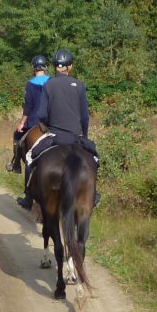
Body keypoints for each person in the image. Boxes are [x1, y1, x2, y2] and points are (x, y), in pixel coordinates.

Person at [18, 49, 99, 210]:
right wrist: (83, 135)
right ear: (70, 66)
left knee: (29, 156)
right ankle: (93, 194)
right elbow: (85, 117)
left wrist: (49, 124)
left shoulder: (49, 84)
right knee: (95, 158)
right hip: (76, 135)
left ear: (55, 67)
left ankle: (29, 194)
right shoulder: (79, 85)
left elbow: (42, 114)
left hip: (55, 134)